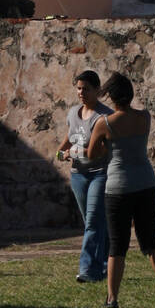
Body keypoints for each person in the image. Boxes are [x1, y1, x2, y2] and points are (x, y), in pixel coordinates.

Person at [87, 72, 155, 308]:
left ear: (112, 97)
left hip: (118, 188)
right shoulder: (144, 117)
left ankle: (112, 298)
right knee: (151, 241)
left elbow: (92, 154)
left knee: (117, 245)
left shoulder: (105, 123)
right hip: (146, 184)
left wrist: (106, 146)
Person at [55, 70, 110, 283]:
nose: (81, 92)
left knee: (93, 223)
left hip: (99, 174)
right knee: (93, 222)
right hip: (78, 175)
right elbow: (66, 142)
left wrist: (75, 153)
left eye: (86, 88)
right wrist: (61, 153)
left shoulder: (104, 116)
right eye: (79, 88)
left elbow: (103, 150)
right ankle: (106, 264)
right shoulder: (73, 113)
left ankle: (87, 270)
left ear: (97, 90)